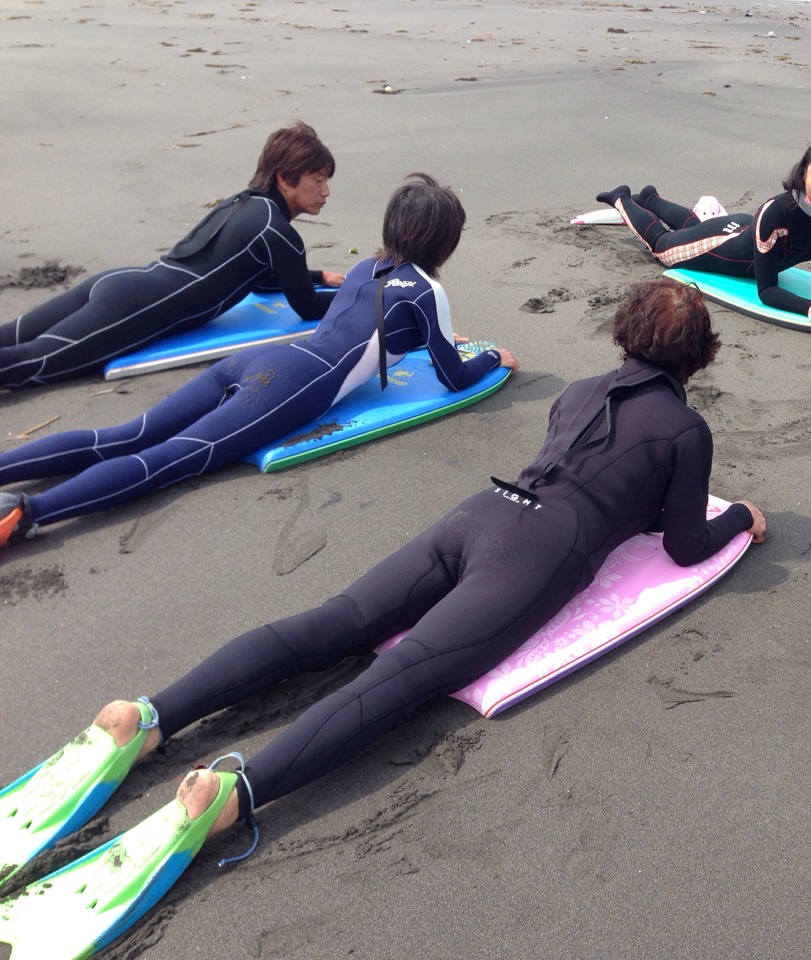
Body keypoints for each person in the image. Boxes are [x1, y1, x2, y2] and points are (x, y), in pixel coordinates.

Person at [0, 277, 765, 934]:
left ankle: (147, 717)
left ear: (625, 331)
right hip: (540, 554)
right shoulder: (685, 430)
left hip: (482, 512)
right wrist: (742, 519)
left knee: (334, 622)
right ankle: (233, 795)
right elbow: (684, 544)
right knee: (403, 675)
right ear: (699, 356)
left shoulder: (576, 391)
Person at [0, 173, 518, 549]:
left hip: (260, 359)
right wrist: (493, 357)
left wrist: (430, 337)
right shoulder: (427, 291)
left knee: (129, 434)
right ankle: (29, 513)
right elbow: (453, 377)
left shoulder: (367, 266)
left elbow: (365, 325)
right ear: (443, 241)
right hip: (293, 384)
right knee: (174, 457)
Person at [0, 121, 346, 389]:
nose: (326, 191)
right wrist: (359, 293)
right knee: (30, 364)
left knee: (12, 335)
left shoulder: (240, 204)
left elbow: (260, 280)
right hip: (135, 309)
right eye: (317, 180)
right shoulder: (278, 232)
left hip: (121, 282)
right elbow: (308, 308)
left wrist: (319, 277)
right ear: (285, 179)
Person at [595, 125, 811, 337]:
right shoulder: (778, 213)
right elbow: (767, 290)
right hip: (724, 244)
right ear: (804, 172)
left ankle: (651, 199)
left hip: (745, 232)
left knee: (693, 228)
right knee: (663, 246)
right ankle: (622, 198)